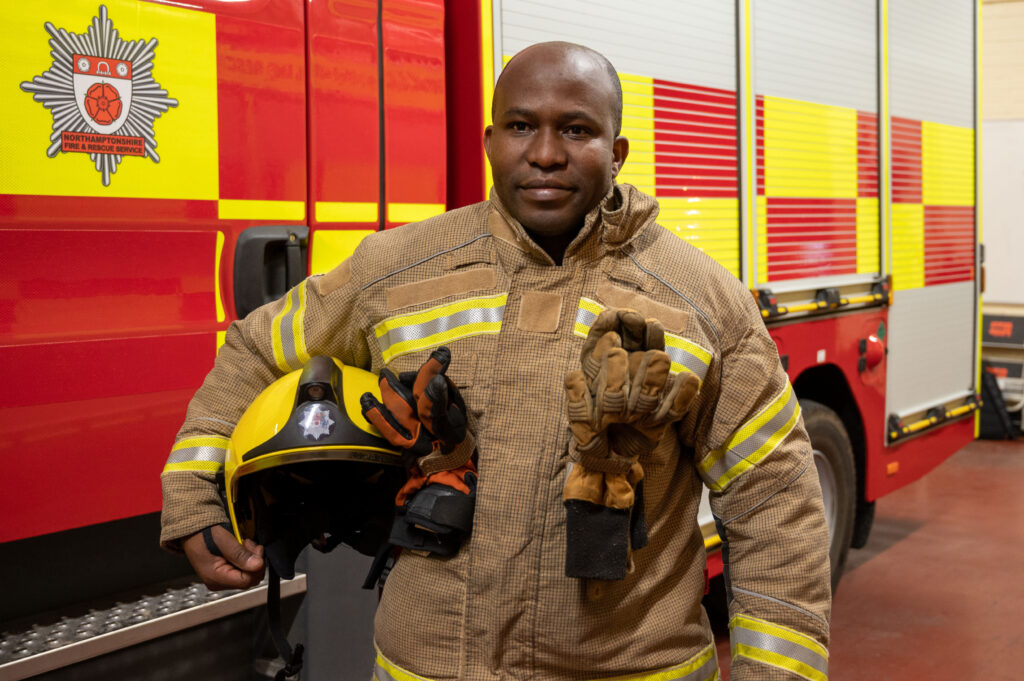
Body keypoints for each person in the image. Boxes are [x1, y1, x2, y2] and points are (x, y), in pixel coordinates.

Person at [161, 41, 831, 681]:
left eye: (576, 130)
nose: (544, 153)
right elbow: (256, 346)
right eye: (520, 126)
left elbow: (776, 507)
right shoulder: (396, 270)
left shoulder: (703, 304)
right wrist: (195, 486)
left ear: (618, 151)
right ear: (489, 142)